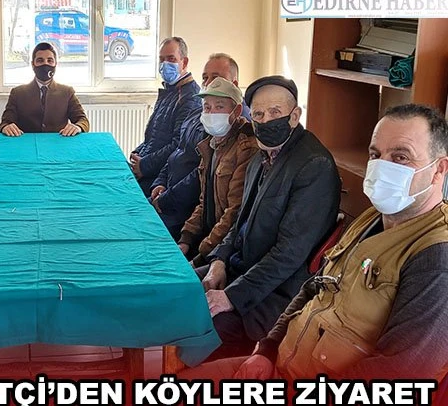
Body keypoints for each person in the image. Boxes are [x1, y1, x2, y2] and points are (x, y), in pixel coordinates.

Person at [181, 103, 448, 382]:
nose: (383, 167)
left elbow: (401, 377)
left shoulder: (435, 257)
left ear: (439, 169)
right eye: (375, 155)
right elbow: (314, 287)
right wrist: (267, 350)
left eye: (401, 157)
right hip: (281, 363)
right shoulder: (371, 219)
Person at [190, 75, 341, 362]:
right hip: (238, 269)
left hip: (272, 293)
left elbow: (289, 255)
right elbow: (240, 220)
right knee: (178, 288)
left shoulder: (314, 166)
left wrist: (231, 297)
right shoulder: (261, 155)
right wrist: (219, 261)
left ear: (294, 116)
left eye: (275, 112)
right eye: (258, 114)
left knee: (198, 323)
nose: (266, 121)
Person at [150, 53, 251, 239]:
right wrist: (160, 181)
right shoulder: (201, 112)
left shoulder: (230, 126)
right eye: (205, 77)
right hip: (172, 196)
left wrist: (166, 201)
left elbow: (198, 182)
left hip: (182, 208)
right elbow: (177, 150)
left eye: (216, 77)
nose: (209, 83)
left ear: (234, 84)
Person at [176, 77, 258, 264]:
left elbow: (234, 212)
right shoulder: (211, 144)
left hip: (227, 250)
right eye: (207, 107)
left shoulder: (246, 148)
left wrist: (201, 256)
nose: (211, 113)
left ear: (237, 111)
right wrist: (186, 239)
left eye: (219, 107)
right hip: (209, 239)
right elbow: (204, 202)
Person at [130, 37, 201, 196]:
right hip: (148, 167)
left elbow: (178, 145)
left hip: (160, 177)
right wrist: (138, 154)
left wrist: (145, 165)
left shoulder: (190, 98)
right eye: (161, 59)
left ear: (184, 62)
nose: (165, 64)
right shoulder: (170, 91)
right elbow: (154, 136)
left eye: (171, 59)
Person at [0, 42, 89, 136]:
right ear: (33, 64)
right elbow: (5, 122)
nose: (45, 64)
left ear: (55, 64)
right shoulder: (17, 93)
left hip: (58, 142)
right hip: (27, 143)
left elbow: (82, 120)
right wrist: (6, 127)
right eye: (40, 60)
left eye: (50, 60)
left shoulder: (67, 92)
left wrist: (78, 126)